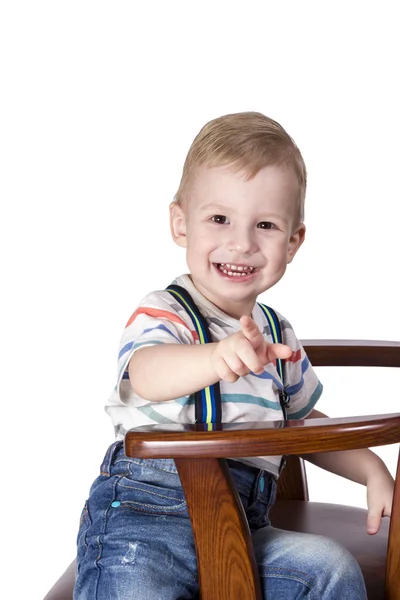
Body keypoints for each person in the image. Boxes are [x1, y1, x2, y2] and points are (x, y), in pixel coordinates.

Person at [74, 112, 394, 599]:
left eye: (265, 225)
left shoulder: (277, 333)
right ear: (181, 223)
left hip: (245, 528)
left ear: (293, 241)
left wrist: (371, 468)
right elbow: (147, 374)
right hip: (144, 522)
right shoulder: (164, 312)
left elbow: (304, 425)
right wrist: (216, 357)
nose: (241, 243)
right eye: (219, 218)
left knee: (328, 569)